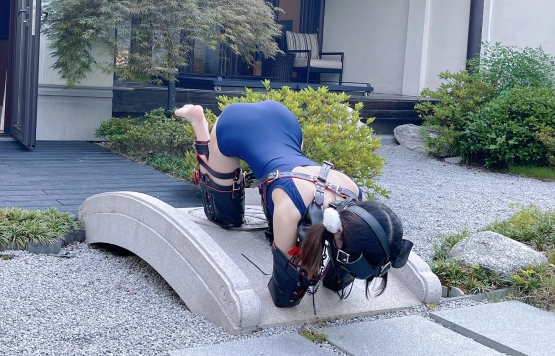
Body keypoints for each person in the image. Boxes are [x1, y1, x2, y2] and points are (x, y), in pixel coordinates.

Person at [176, 100, 413, 308]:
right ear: (340, 229)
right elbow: (283, 294)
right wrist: (310, 268)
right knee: (225, 217)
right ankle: (199, 123)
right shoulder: (289, 210)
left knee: (280, 218)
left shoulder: (356, 196)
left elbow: (358, 244)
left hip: (285, 123)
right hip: (236, 124)